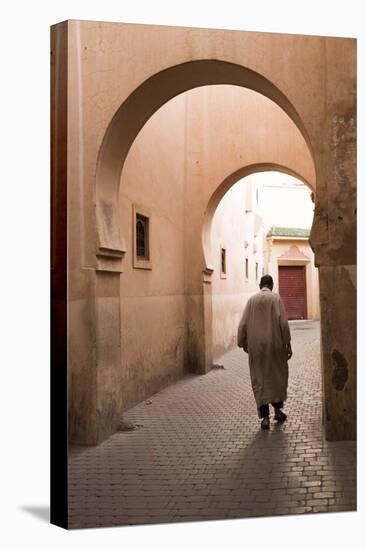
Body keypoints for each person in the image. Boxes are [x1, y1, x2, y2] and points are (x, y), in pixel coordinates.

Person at [237, 274, 293, 430]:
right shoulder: (276, 299)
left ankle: (265, 419)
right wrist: (287, 344)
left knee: (259, 380)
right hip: (274, 346)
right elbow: (283, 324)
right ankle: (277, 411)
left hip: (256, 348)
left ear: (260, 285)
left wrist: (243, 343)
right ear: (272, 285)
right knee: (276, 378)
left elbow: (242, 325)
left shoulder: (251, 301)